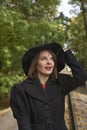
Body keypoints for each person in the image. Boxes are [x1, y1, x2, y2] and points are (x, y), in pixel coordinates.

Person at [10, 42, 87, 130]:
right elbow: (24, 126)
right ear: (35, 64)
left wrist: (66, 54)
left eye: (52, 59)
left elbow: (81, 76)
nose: (49, 62)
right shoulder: (21, 90)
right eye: (44, 59)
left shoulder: (60, 83)